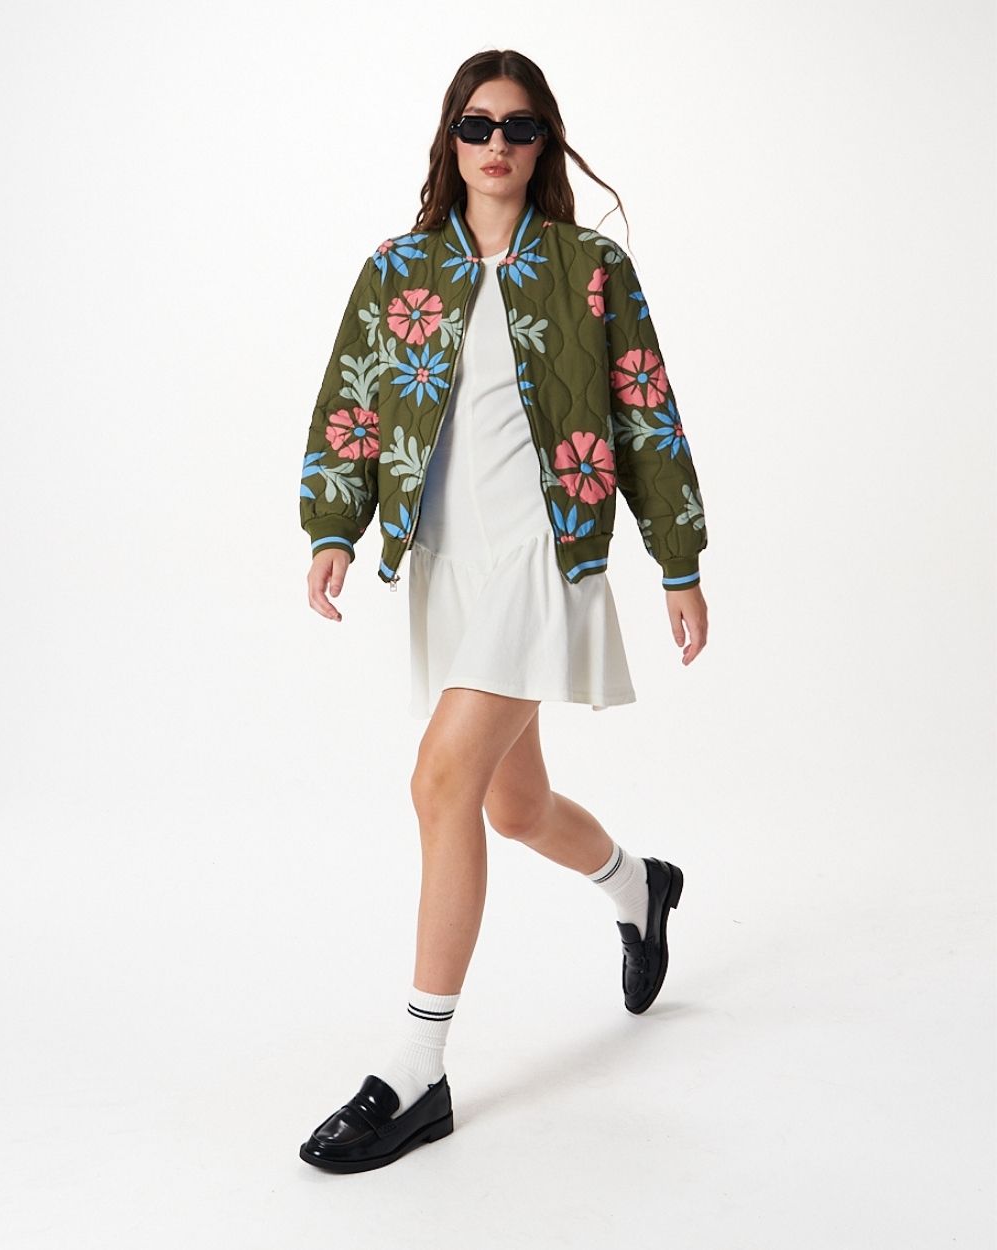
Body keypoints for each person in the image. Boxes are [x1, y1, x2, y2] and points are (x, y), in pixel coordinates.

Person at [297, 48, 709, 1173]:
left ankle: (416, 1070)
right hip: (449, 565)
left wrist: (677, 560)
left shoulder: (591, 269)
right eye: (477, 125)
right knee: (514, 805)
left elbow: (645, 411)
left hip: (545, 556)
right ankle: (640, 887)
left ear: (543, 142)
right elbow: (350, 403)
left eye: (519, 127)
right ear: (451, 137)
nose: (497, 144)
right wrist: (333, 527)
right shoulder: (398, 270)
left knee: (440, 782)